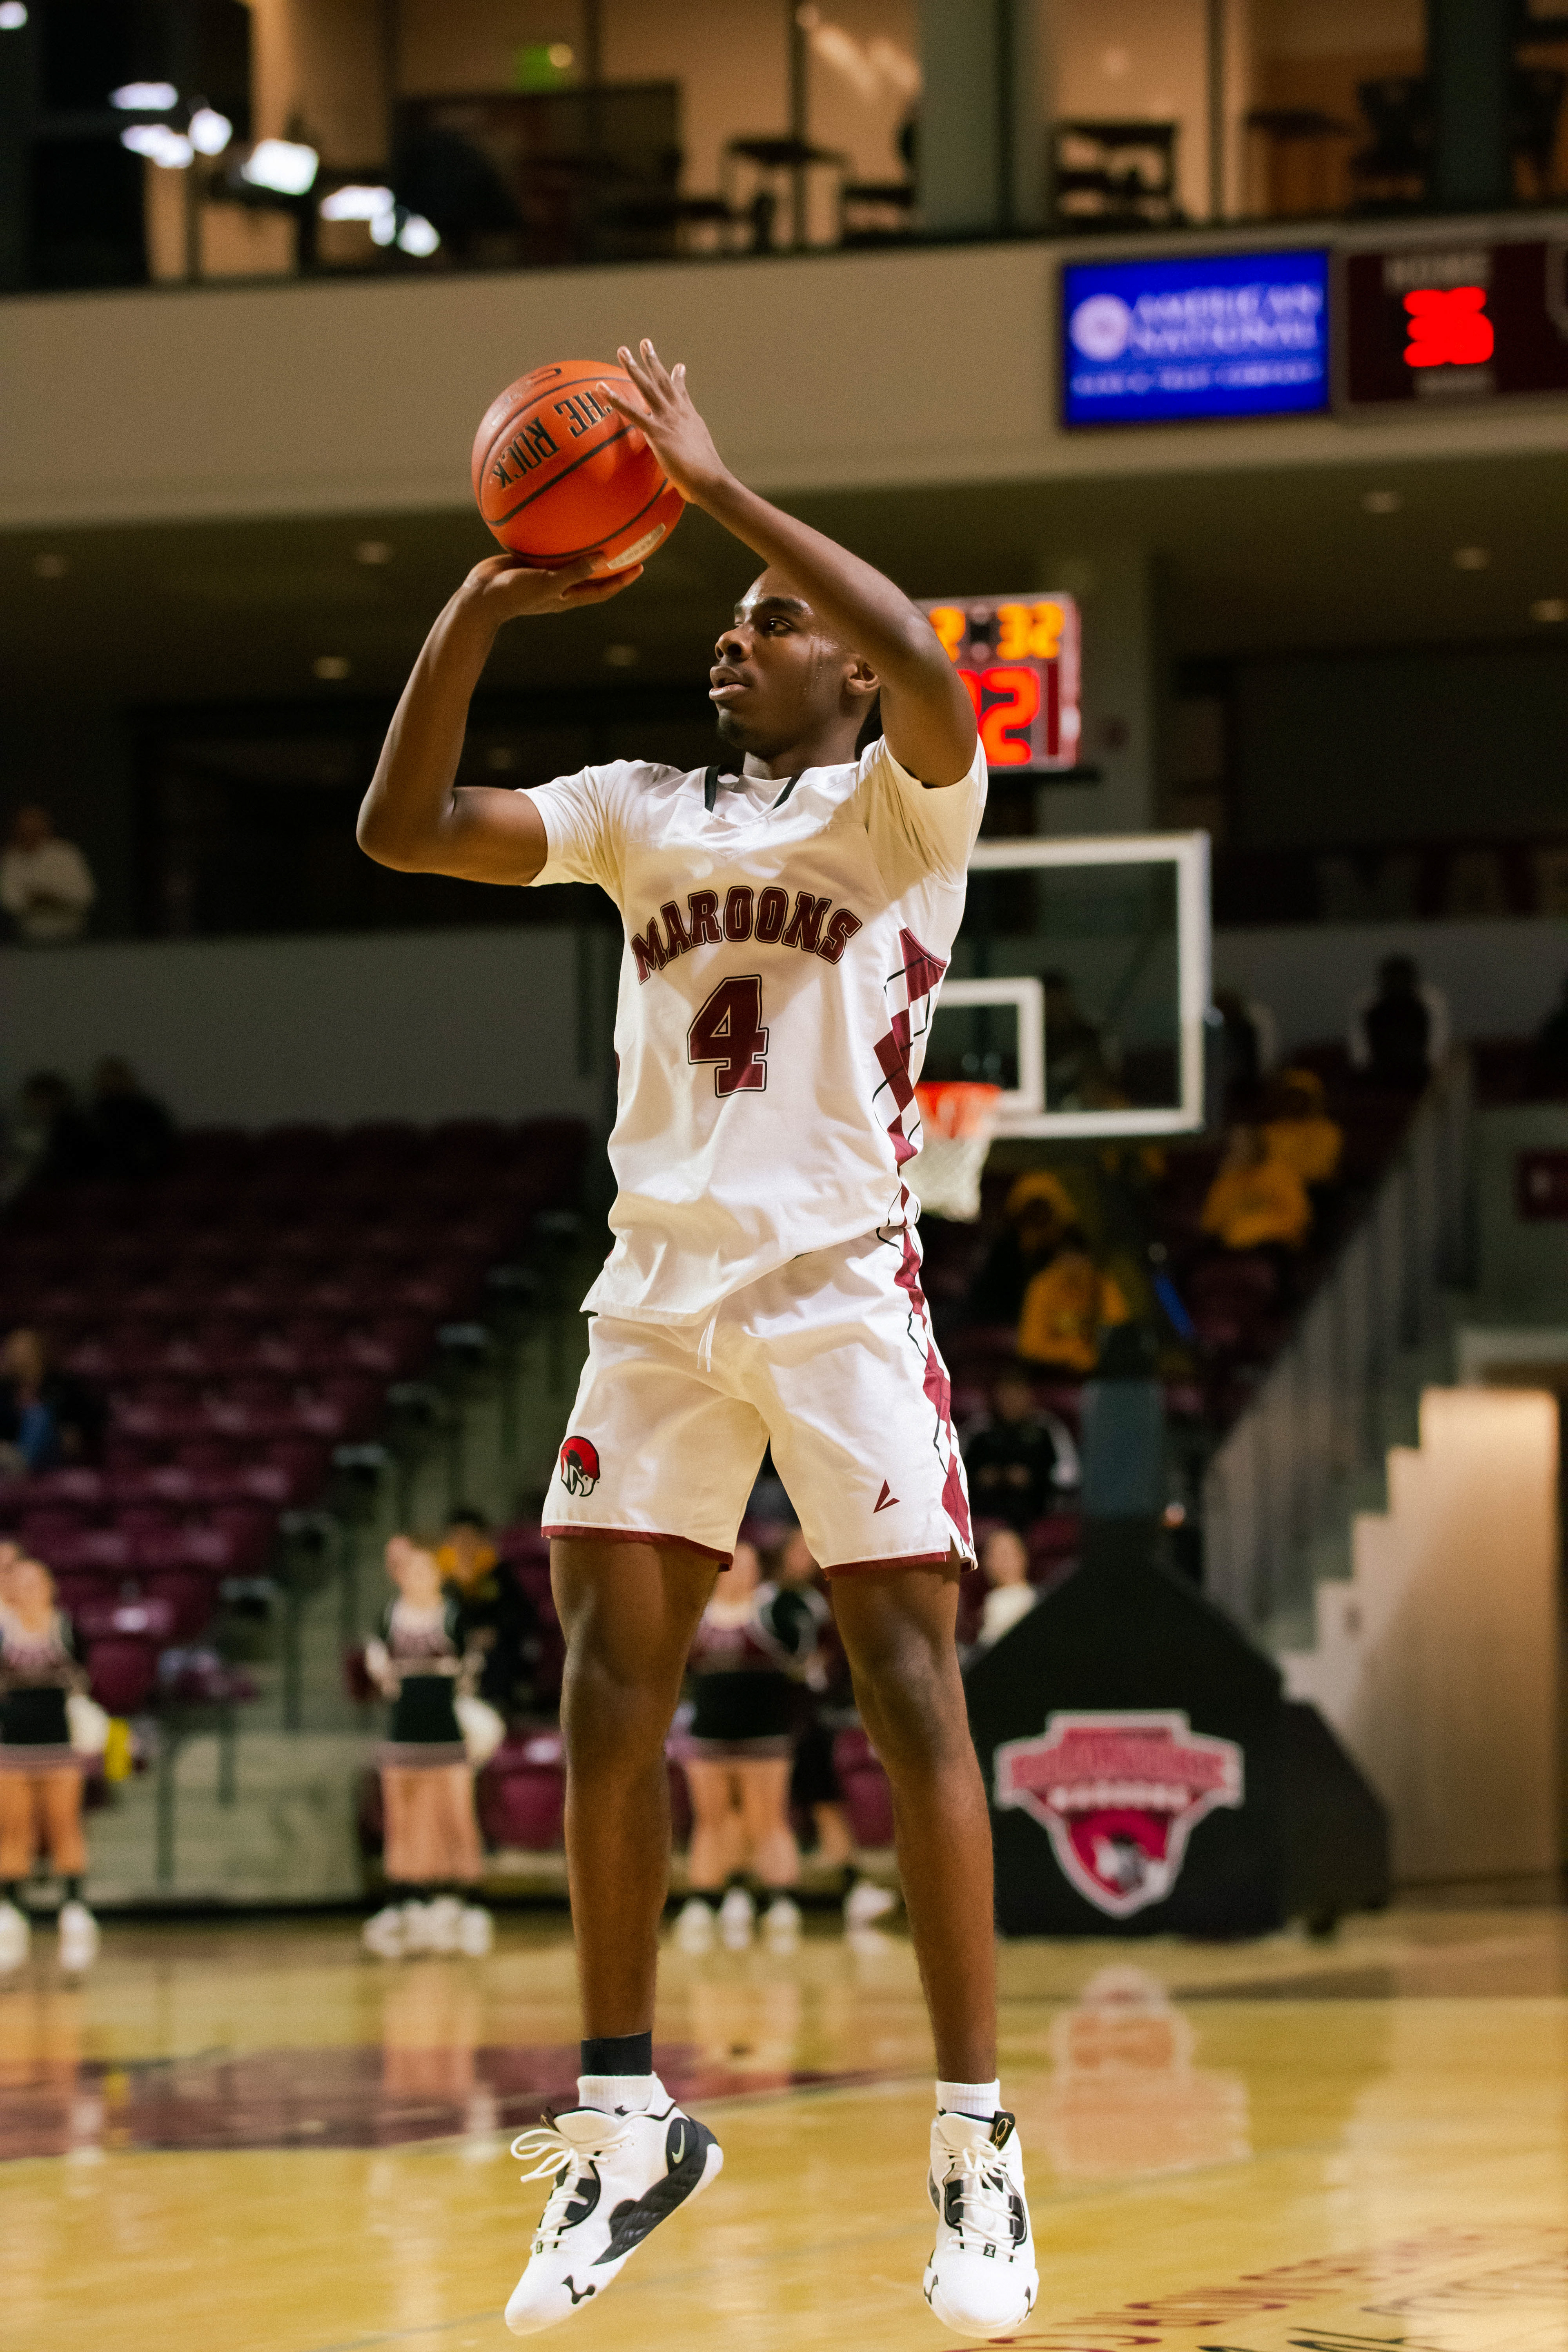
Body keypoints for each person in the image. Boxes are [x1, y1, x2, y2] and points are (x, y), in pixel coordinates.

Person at [357, 339, 1035, 2340]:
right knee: (605, 1695)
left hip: (838, 1289)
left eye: (772, 625)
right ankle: (626, 2120)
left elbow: (925, 651)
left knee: (909, 1690)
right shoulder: (638, 811)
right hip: (655, 1299)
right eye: (727, 622)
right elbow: (402, 827)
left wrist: (722, 488)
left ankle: (978, 2150)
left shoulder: (905, 816)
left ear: (843, 675)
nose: (734, 638)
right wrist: (480, 603)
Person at [673, 1539, 817, 1951]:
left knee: (766, 1819)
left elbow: (802, 1655)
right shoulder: (695, 1612)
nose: (741, 1572)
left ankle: (782, 1899)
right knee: (711, 1818)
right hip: (709, 1731)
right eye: (734, 1564)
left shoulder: (774, 1609)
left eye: (749, 1565)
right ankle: (705, 1899)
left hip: (764, 1731)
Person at [361, 1535, 493, 1963]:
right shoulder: (388, 1618)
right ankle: (406, 1899)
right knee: (404, 1821)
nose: (417, 1577)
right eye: (410, 1569)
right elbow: (381, 1677)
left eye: (425, 1569)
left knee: (456, 1818)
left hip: (447, 1736)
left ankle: (468, 1901)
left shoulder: (453, 1618)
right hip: (403, 1737)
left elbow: (469, 1677)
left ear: (438, 1574)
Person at [773, 1528, 898, 1929]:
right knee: (765, 1807)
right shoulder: (768, 1601)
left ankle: (851, 1887)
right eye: (797, 1549)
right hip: (771, 1717)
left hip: (810, 1717)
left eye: (809, 1549)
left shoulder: (822, 1599)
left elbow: (835, 1657)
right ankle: (757, 1894)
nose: (804, 1557)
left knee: (825, 1800)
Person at [0, 1552, 99, 1973]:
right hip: (11, 1747)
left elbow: (87, 1679)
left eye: (34, 1583)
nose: (26, 1590)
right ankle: (10, 1914)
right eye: (18, 1583)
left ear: (49, 1588)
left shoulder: (67, 1628)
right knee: (14, 1832)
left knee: (64, 1827)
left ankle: (74, 1911)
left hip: (60, 1745)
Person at [437, 1507, 539, 1716]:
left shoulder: (498, 1573)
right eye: (458, 1540)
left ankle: (500, 1710)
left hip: (497, 1653)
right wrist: (465, 1636)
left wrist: (495, 1632)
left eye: (470, 1539)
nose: (464, 1547)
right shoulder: (441, 1580)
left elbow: (523, 1614)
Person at [962, 1371, 1080, 1532]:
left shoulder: (1048, 1429)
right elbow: (955, 1473)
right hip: (984, 1511)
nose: (1011, 1401)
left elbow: (1069, 1476)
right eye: (1006, 1395)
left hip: (1035, 1511)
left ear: (1029, 1396)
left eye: (1017, 1394)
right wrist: (979, 1477)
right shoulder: (978, 1430)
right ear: (995, 1396)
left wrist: (1033, 1478)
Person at [0, 1327, 106, 1475]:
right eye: (15, 1352)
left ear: (39, 1352)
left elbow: (91, 1416)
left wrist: (74, 1429)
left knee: (38, 1416)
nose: (19, 1357)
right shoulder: (5, 1389)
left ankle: (19, 1465)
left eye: (24, 1351)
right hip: (10, 1449)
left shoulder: (62, 1385)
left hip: (53, 1451)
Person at [1200, 1125, 1312, 1254]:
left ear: (1256, 1145)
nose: (1238, 1151)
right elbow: (1210, 1224)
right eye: (1233, 1147)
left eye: (1243, 1145)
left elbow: (1298, 1218)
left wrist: (1251, 1228)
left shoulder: (1279, 1173)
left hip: (1275, 1247)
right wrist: (1223, 1180)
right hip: (1235, 1249)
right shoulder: (1230, 1178)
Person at [1348, 954, 1450, 1091]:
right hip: (1381, 1072)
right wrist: (1364, 1068)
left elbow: (1438, 1041)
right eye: (1394, 979)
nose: (1398, 984)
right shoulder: (1366, 1005)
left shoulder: (1431, 1002)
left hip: (1418, 1071)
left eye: (1402, 979)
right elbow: (1359, 1046)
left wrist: (1433, 1069)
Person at [0, 804, 96, 944]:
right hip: (29, 939)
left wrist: (51, 898)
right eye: (25, 830)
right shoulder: (11, 858)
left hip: (71, 937)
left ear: (46, 827)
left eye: (35, 829)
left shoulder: (66, 854)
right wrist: (35, 899)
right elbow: (9, 901)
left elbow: (85, 896)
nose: (29, 834)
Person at [89, 1057, 176, 1182]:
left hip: (144, 1172)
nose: (112, 1084)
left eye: (116, 1078)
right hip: (109, 1175)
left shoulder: (146, 1110)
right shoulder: (96, 1113)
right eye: (107, 1079)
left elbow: (160, 1144)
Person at [1261, 1067, 1344, 1190]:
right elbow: (1263, 1166)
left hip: (1315, 1191)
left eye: (1301, 1096)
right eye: (1290, 1095)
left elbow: (1320, 1169)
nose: (1295, 1101)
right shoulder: (1268, 1131)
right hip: (1273, 1189)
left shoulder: (1328, 1131)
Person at [967, 1528, 1037, 1655]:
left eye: (1005, 1554)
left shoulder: (1032, 1599)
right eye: (992, 1555)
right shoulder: (992, 1600)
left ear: (1022, 1557)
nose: (997, 1562)